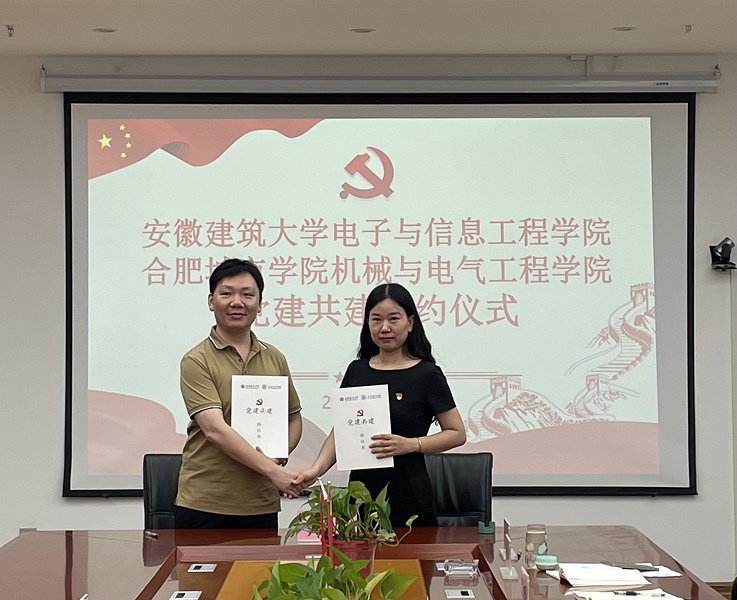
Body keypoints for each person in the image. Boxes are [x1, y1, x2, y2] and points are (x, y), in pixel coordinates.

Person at [295, 283, 466, 527]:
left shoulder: (427, 374)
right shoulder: (357, 371)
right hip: (363, 493)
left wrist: (410, 444)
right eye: (376, 319)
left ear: (410, 322)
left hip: (410, 494)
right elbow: (341, 432)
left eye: (393, 319)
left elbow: (457, 433)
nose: (384, 328)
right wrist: (315, 470)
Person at [174, 258, 303, 529]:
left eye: (247, 294)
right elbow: (215, 430)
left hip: (260, 502)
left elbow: (293, 418)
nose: (237, 302)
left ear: (260, 304)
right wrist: (273, 471)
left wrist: (278, 455)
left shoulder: (275, 357)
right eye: (226, 293)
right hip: (206, 503)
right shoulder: (196, 360)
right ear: (211, 301)